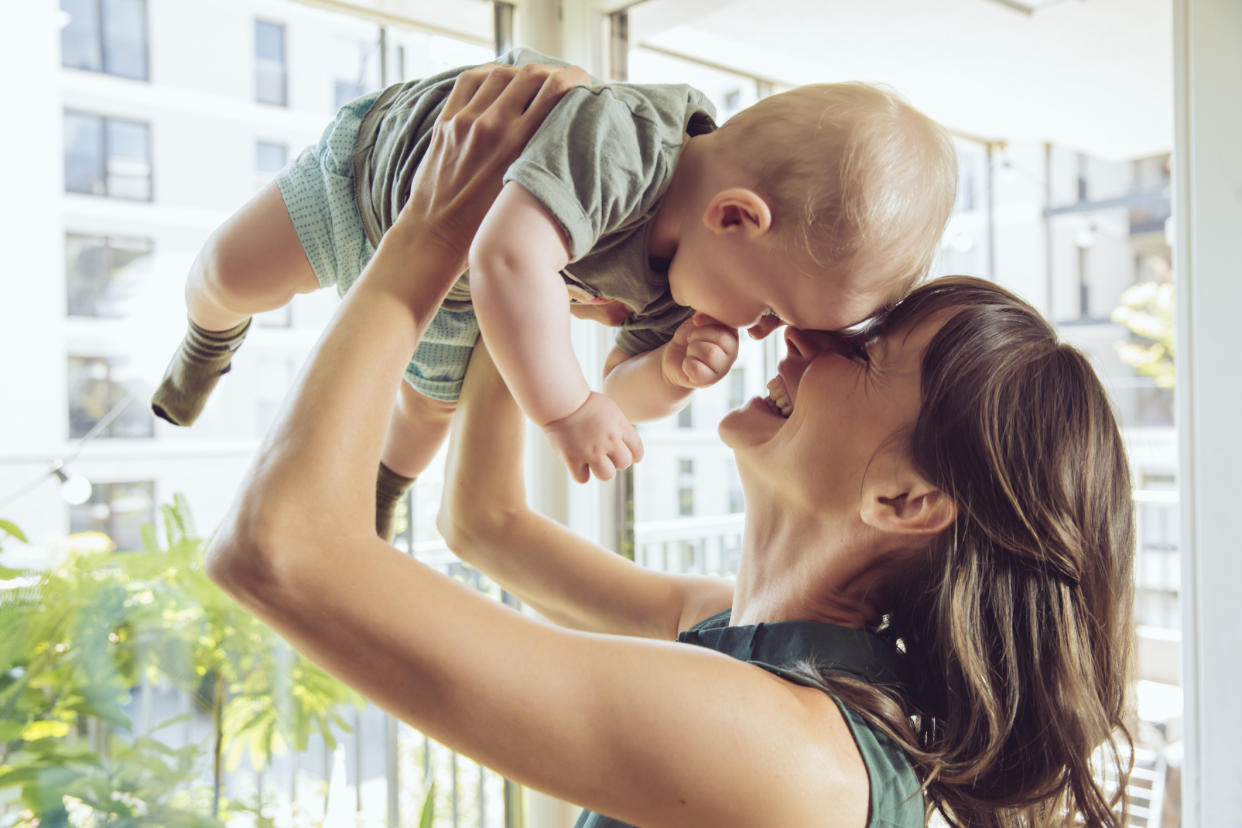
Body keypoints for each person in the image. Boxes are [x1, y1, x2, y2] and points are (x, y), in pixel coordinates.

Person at [206, 65, 1135, 826]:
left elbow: (278, 553)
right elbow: (484, 523)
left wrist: (429, 230)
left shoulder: (788, 751)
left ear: (903, 498)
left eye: (865, 350)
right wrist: (538, 230)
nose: (796, 341)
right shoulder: (752, 644)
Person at [152, 46, 958, 540]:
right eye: (772, 310)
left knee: (430, 410)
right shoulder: (626, 142)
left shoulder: (692, 285)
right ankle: (207, 339)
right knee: (230, 272)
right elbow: (510, 256)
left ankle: (381, 491)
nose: (755, 334)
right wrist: (565, 412)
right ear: (737, 217)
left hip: (457, 289)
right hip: (376, 186)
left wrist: (668, 376)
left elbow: (616, 389)